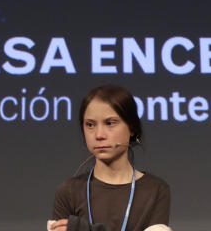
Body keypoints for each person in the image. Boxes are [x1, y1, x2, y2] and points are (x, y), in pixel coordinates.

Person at [49, 84, 171, 231]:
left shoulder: (155, 190)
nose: (99, 135)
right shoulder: (68, 191)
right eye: (90, 124)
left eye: (110, 123)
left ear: (131, 127)